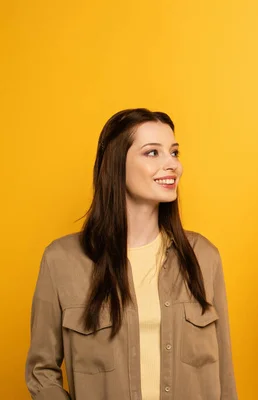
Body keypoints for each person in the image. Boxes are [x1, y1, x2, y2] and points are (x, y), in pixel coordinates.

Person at [25, 108, 237, 400]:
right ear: (116, 164)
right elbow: (41, 372)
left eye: (174, 153)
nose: (173, 165)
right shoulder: (61, 260)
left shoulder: (204, 257)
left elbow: (224, 376)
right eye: (152, 153)